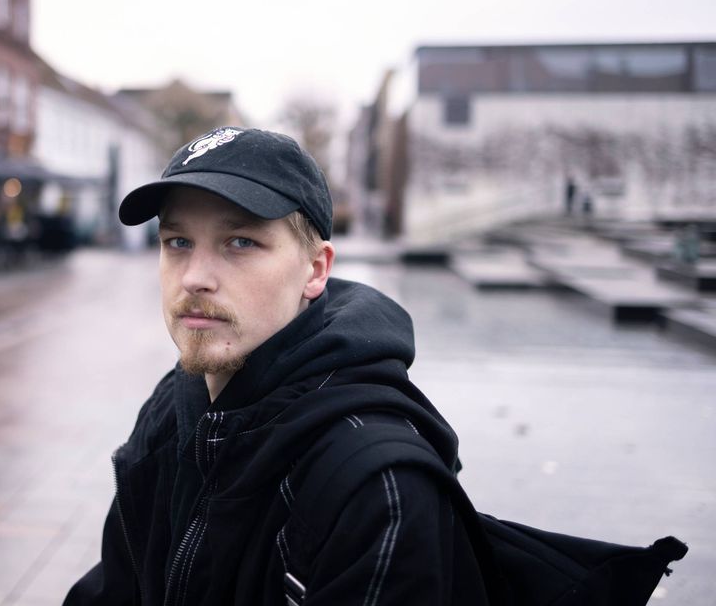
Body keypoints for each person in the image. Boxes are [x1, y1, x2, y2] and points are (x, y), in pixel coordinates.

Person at [64, 127, 484, 605]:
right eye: (178, 241)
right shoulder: (172, 407)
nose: (195, 278)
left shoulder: (376, 489)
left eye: (241, 242)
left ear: (315, 270)